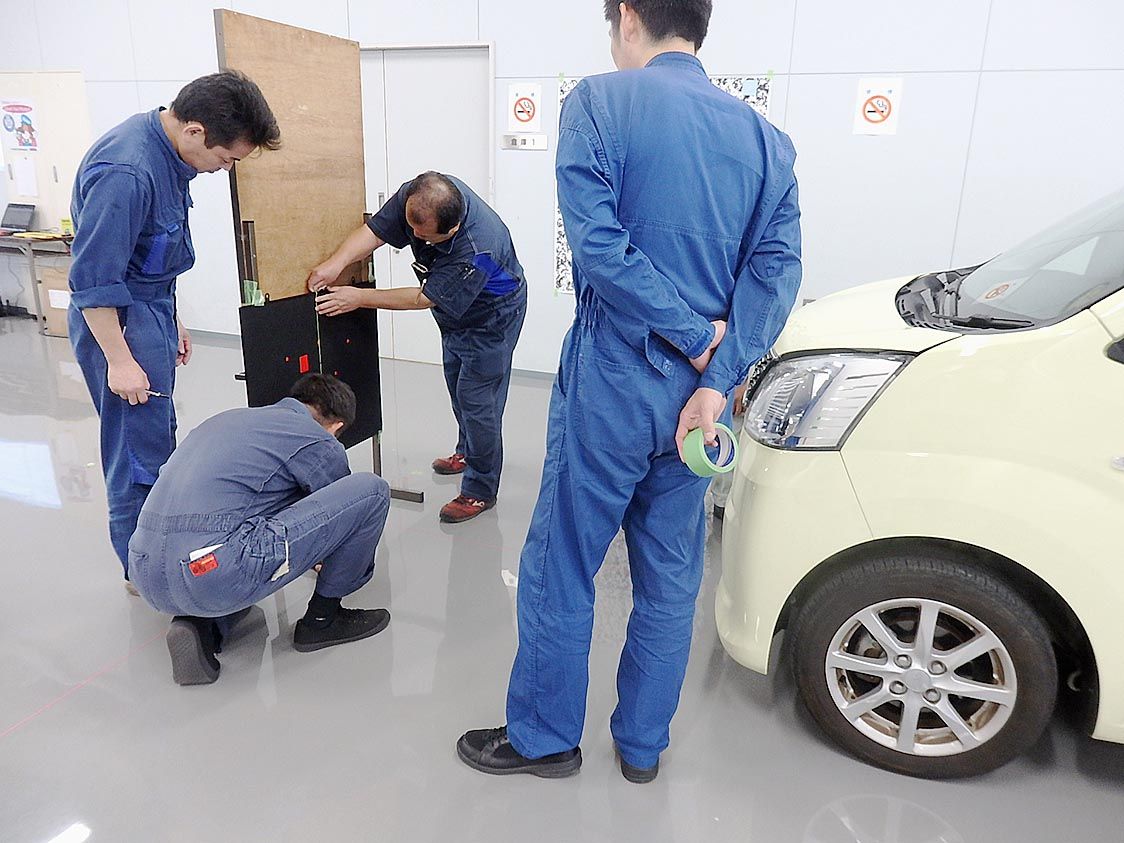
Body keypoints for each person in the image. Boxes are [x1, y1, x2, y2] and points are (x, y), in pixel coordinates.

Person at [457, 0, 801, 783]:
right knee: (671, 574)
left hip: (612, 378)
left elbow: (600, 248)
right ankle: (643, 745)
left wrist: (688, 333)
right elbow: (775, 276)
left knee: (563, 561)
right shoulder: (766, 141)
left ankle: (545, 738)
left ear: (630, 17)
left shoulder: (598, 103)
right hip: (701, 405)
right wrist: (717, 372)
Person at [67, 71, 280, 594]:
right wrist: (120, 360)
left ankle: (158, 548)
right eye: (225, 158)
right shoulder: (127, 171)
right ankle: (141, 572)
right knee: (135, 453)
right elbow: (94, 281)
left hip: (150, 309)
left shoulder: (173, 157)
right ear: (194, 130)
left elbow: (150, 257)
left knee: (158, 437)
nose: (224, 168)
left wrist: (172, 317)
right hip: (117, 320)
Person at [128, 374, 392, 686]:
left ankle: (202, 626)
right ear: (336, 425)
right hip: (212, 571)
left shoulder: (228, 421)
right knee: (371, 491)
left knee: (229, 555)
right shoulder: (315, 437)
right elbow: (342, 514)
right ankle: (323, 620)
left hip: (143, 569)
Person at [308, 171, 527, 524]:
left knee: (477, 400)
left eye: (429, 238)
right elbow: (375, 231)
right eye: (416, 233)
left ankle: (480, 490)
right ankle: (468, 451)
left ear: (453, 228)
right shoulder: (420, 195)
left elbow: (422, 298)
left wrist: (358, 298)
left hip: (492, 318)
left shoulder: (477, 248)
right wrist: (336, 263)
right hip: (456, 314)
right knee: (458, 387)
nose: (420, 241)